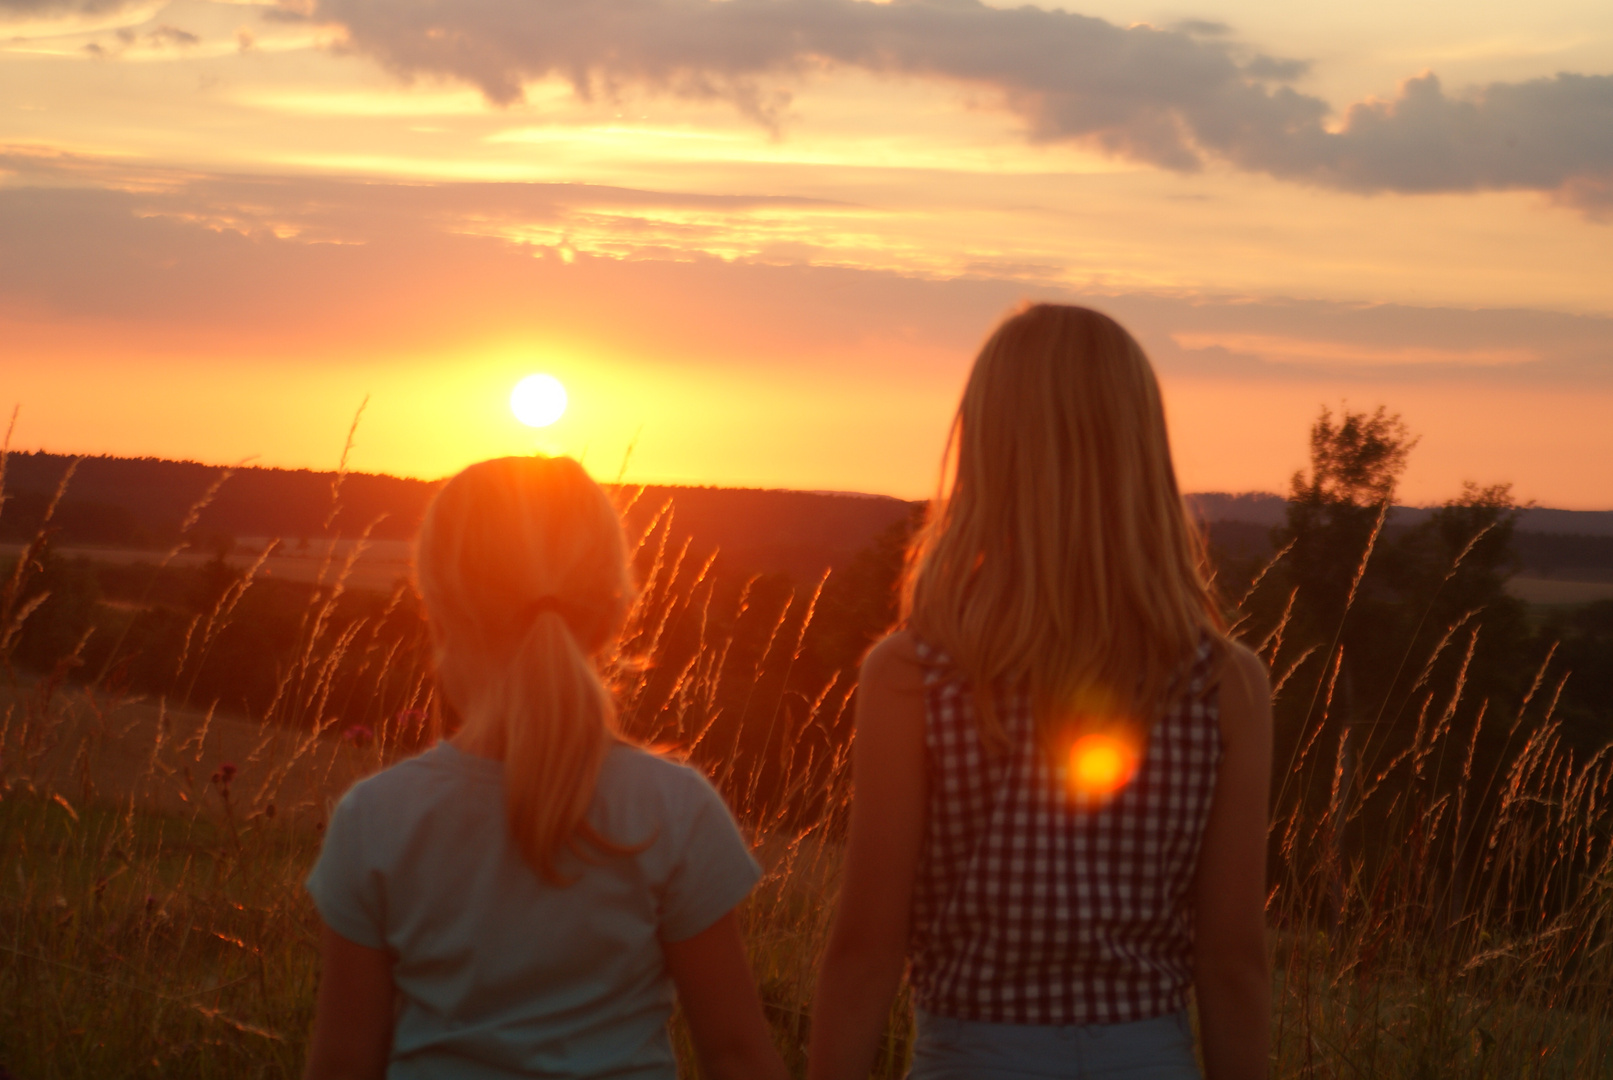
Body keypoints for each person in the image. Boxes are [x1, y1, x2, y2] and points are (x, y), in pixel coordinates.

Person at [808, 305, 1272, 1080]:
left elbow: (863, 956)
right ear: (1141, 455)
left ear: (986, 451)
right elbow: (1233, 966)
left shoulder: (911, 676)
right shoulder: (1224, 684)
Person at [303, 456, 789, 1080]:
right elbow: (739, 1055)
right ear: (609, 609)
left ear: (441, 606)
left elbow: (344, 1064)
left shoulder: (374, 820)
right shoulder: (674, 807)